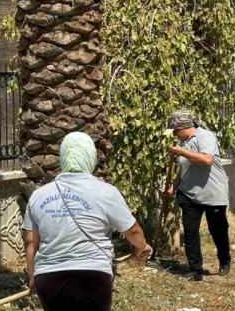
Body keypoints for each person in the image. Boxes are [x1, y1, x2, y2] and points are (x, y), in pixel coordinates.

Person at [22, 132, 152, 311]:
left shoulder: (39, 195)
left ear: (63, 158)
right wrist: (141, 247)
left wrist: (32, 275)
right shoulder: (106, 192)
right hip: (93, 276)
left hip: (49, 278)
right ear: (91, 158)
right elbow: (133, 231)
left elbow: (30, 241)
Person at [164, 108, 231, 282]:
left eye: (175, 131)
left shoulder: (205, 137)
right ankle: (195, 270)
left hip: (213, 193)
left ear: (183, 127)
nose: (175, 135)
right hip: (189, 194)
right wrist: (171, 189)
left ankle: (225, 260)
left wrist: (182, 152)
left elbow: (206, 160)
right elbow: (183, 170)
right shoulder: (183, 142)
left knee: (218, 230)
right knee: (190, 232)